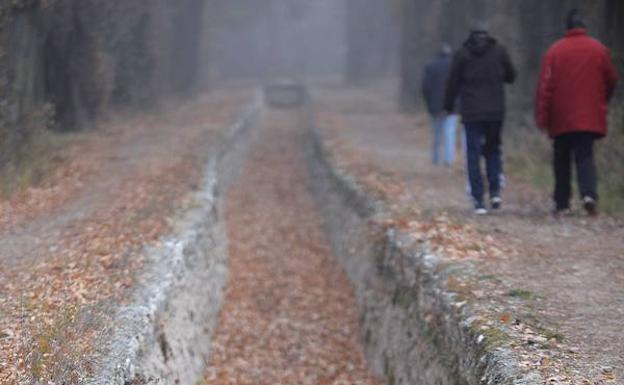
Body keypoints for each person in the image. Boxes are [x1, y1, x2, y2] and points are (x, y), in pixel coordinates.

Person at [536, 9, 619, 216]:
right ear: (584, 27)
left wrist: (543, 116)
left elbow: (545, 87)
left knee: (561, 159)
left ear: (567, 28)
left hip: (561, 115)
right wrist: (601, 100)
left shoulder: (554, 51)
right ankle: (589, 195)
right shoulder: (598, 50)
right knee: (585, 156)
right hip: (588, 114)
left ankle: (562, 202)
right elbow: (611, 79)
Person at [444, 21, 516, 214]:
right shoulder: (499, 51)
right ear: (487, 34)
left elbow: (453, 82)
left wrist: (448, 106)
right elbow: (511, 76)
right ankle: (494, 191)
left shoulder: (462, 54)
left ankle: (478, 200)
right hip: (495, 111)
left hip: (471, 113)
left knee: (473, 156)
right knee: (493, 150)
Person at [422, 44, 459, 166]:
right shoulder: (455, 66)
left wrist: (428, 103)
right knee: (450, 131)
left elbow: (425, 88)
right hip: (452, 106)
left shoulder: (430, 66)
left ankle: (436, 157)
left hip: (435, 105)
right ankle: (449, 159)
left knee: (437, 132)